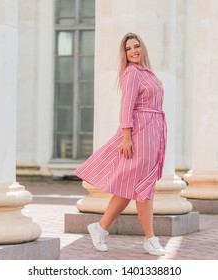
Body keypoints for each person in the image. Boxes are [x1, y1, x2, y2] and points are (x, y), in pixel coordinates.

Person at [74, 32, 167, 256]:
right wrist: (126, 137)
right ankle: (150, 238)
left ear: (142, 48)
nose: (133, 51)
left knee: (131, 186)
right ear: (124, 53)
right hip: (139, 133)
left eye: (136, 46)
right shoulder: (132, 73)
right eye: (128, 48)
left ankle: (100, 227)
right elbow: (126, 107)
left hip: (154, 133)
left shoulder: (148, 73)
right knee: (143, 186)